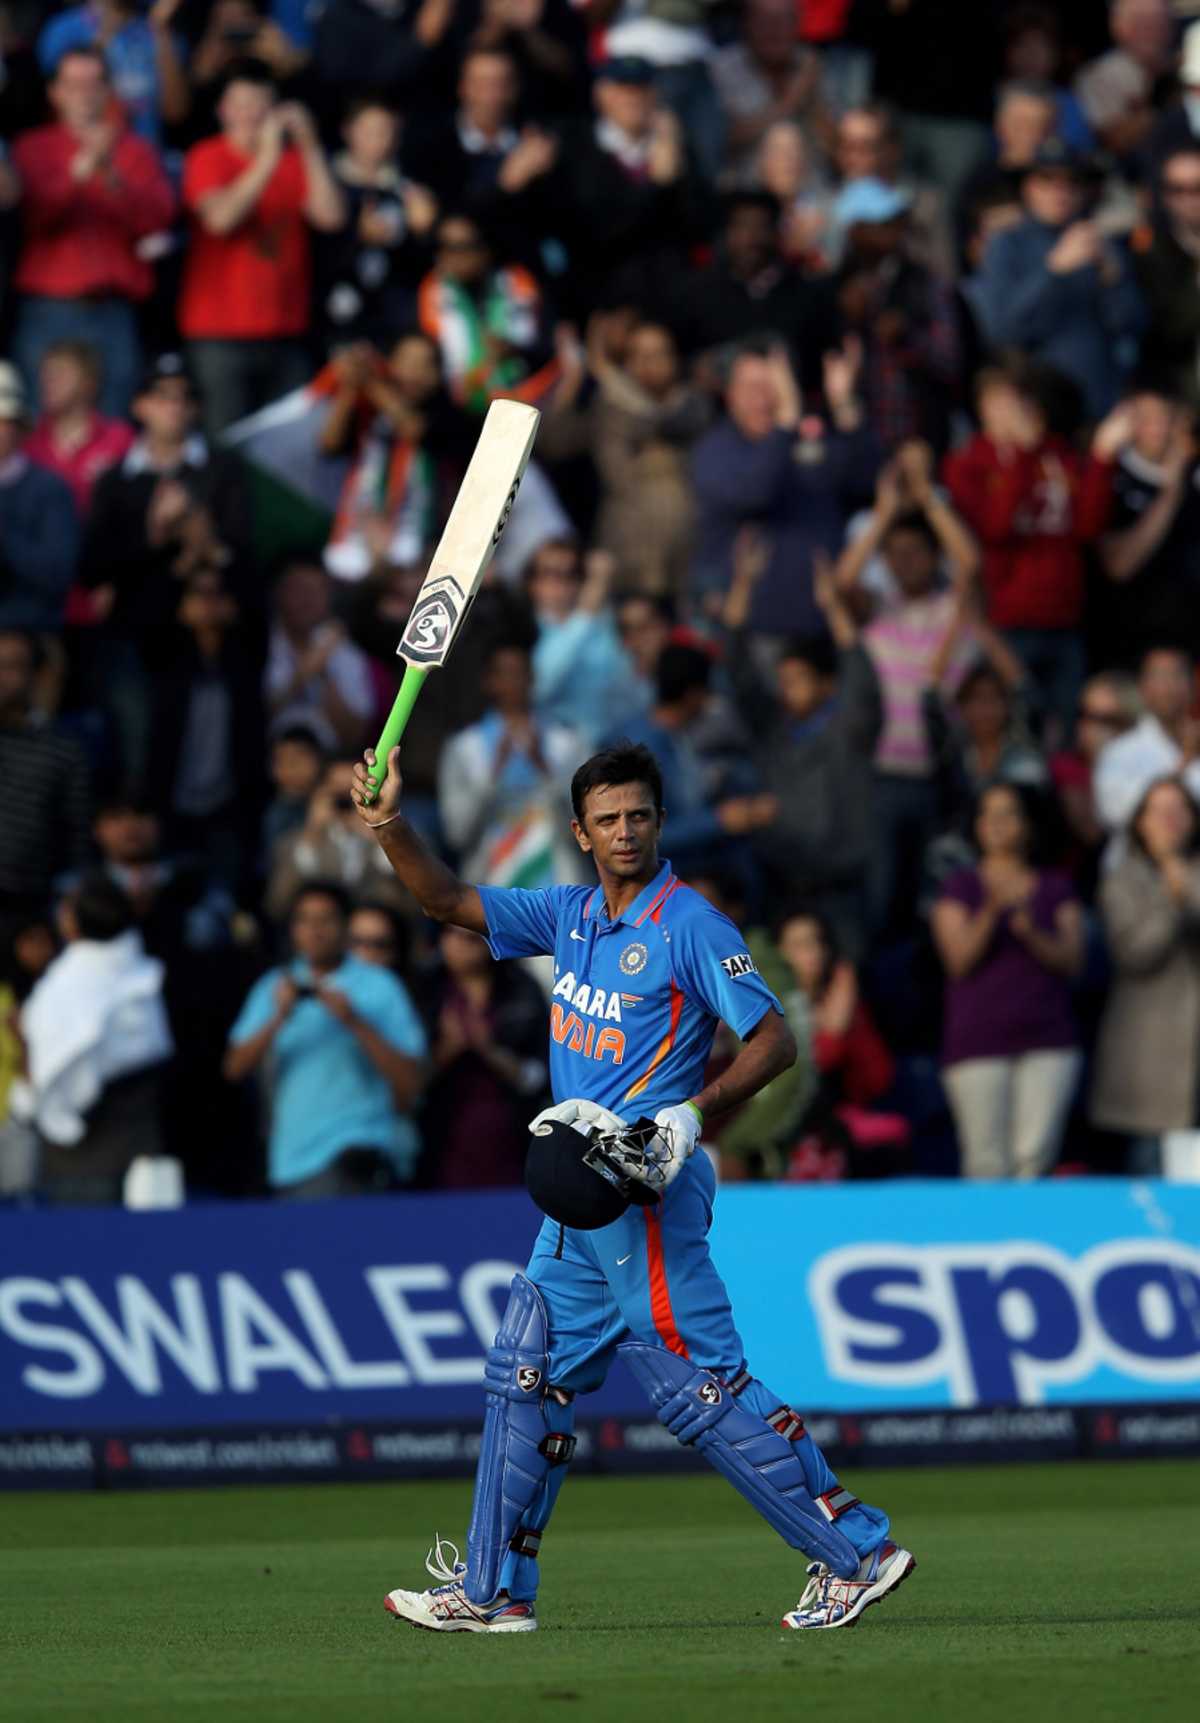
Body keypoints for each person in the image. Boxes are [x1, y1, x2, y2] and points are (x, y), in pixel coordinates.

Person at [353, 735, 914, 1631]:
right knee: (524, 1371)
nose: (625, 831)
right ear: (580, 830)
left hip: (645, 1189)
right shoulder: (569, 914)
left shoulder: (688, 923)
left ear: (657, 822)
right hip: (581, 1193)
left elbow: (774, 1038)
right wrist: (387, 824)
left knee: (699, 1384)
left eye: (639, 816)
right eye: (608, 818)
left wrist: (692, 1112)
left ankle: (857, 1550)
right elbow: (446, 899)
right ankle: (493, 1591)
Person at [723, 537, 881, 959]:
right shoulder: (773, 731)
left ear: (826, 684)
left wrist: (832, 607)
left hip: (842, 893)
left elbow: (861, 675)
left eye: (797, 679)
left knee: (850, 994)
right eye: (783, 680)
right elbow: (738, 672)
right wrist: (743, 586)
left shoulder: (848, 730)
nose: (785, 689)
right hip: (779, 889)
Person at [224, 879, 426, 1195]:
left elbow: (412, 1082)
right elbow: (234, 1069)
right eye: (305, 920)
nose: (315, 930)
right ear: (292, 930)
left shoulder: (379, 985)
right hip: (291, 1161)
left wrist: (354, 1020)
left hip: (358, 1154)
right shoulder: (273, 987)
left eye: (326, 919)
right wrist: (277, 1018)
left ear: (346, 926)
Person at [178, 62, 346, 436]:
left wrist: (310, 144)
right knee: (225, 444)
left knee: (284, 447)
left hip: (286, 331)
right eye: (241, 104)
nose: (251, 115)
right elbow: (220, 220)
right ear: (223, 111)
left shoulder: (294, 161)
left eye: (260, 105)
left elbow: (331, 217)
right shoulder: (207, 156)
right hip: (219, 333)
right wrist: (267, 158)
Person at [10, 45, 176, 418]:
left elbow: (156, 222)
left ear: (109, 91)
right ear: (55, 93)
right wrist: (79, 172)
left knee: (113, 421)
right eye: (74, 85)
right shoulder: (33, 147)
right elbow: (34, 219)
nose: (84, 94)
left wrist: (113, 178)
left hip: (113, 308)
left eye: (94, 84)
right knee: (41, 420)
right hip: (49, 308)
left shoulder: (135, 150)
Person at [932, 782, 1084, 1179]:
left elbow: (1072, 960)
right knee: (985, 1162)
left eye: (1009, 813)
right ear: (977, 827)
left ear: (1028, 825)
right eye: (988, 814)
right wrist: (992, 909)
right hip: (978, 1041)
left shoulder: (1055, 886)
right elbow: (958, 960)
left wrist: (1031, 931)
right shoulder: (959, 887)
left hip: (1048, 1040)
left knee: (1035, 1159)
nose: (998, 823)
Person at [690, 342, 879, 642]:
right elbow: (755, 492)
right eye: (752, 387)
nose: (764, 400)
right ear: (730, 395)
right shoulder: (715, 450)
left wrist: (844, 404)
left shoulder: (806, 438)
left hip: (823, 625)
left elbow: (866, 481)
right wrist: (785, 423)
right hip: (750, 634)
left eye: (772, 386)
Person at [12, 871, 173, 1205]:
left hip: (121, 1162)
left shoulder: (67, 987)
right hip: (86, 1160)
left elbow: (40, 1069)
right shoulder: (141, 974)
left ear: (72, 923)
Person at [973, 140, 1144, 420]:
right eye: (1047, 181)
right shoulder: (1006, 243)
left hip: (1100, 402)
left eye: (1072, 182)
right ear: (1027, 186)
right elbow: (1003, 330)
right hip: (1037, 407)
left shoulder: (1100, 242)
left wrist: (1113, 278)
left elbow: (1132, 325)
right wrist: (1053, 271)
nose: (1060, 193)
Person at [1090, 777, 1200, 1172]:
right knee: (1148, 1170)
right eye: (1159, 810)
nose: (1170, 820)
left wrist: (1183, 879)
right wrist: (1173, 901)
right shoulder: (1122, 879)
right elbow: (1135, 951)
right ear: (1140, 821)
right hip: (1149, 1058)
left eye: (1179, 809)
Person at [437, 638, 583, 889]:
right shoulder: (464, 747)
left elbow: (586, 824)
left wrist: (544, 768)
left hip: (557, 878)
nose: (513, 682)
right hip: (490, 877)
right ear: (488, 682)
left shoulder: (566, 742)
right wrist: (493, 773)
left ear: (532, 678)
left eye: (520, 673)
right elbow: (457, 833)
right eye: (504, 674)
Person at [421, 922, 550, 1187]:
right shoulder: (424, 990)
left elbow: (541, 1076)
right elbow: (408, 1083)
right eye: (452, 935)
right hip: (439, 1139)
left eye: (472, 936)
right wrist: (448, 1047)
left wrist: (489, 1050)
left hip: (513, 1135)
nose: (462, 944)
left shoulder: (522, 989)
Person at [316, 95, 438, 347]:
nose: (381, 141)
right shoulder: (325, 183)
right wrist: (356, 237)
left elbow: (423, 265)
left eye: (388, 132)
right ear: (347, 131)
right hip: (334, 319)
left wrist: (424, 232)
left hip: (394, 320)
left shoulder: (408, 189)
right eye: (370, 131)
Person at [417, 211, 556, 414]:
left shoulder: (517, 283)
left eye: (466, 247)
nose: (457, 257)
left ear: (485, 248)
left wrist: (512, 350)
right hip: (456, 412)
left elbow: (547, 349)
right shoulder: (430, 293)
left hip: (525, 401)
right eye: (447, 248)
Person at [0, 630, 91, 921]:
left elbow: (78, 835)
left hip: (28, 908)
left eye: (12, 666)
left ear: (36, 676)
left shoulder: (64, 750)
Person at [0, 363, 81, 634]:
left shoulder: (50, 490)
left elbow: (56, 575)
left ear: (19, 427)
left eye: (2, 421)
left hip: (32, 638)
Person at [711, 0, 827, 187]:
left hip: (812, 197)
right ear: (745, 24)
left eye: (783, 21)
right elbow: (720, 139)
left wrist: (814, 100)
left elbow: (843, 149)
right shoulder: (720, 70)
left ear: (798, 25)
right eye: (764, 21)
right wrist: (791, 100)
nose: (774, 31)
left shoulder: (811, 65)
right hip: (745, 193)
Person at [265, 558, 374, 752]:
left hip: (327, 764)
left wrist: (323, 671)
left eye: (317, 590)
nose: (308, 599)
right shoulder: (256, 646)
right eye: (299, 589)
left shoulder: (346, 653)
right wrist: (308, 669)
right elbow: (255, 717)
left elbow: (354, 734)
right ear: (278, 592)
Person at [1136, 150, 1200, 414]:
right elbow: (1166, 332)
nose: (1189, 199)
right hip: (1182, 400)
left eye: (1198, 188)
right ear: (1164, 195)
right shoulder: (1149, 253)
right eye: (1177, 189)